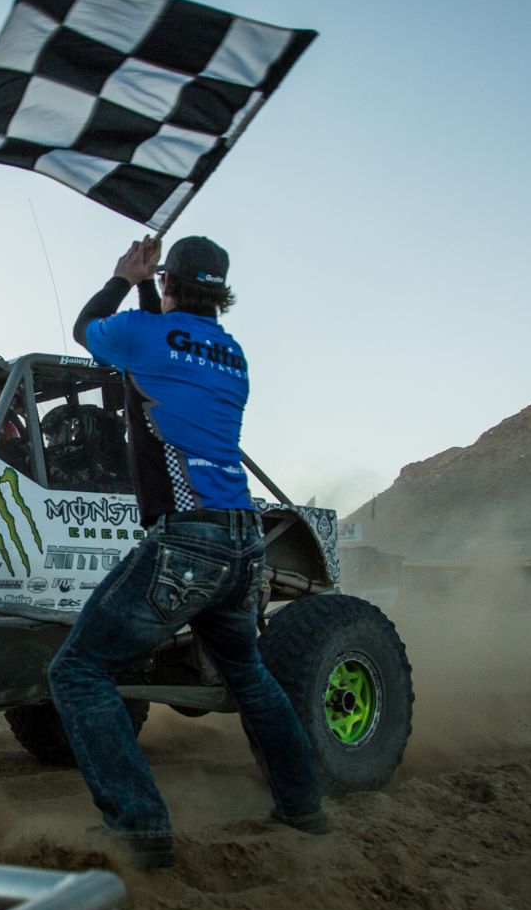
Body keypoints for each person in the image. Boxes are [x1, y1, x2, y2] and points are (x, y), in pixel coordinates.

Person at [48, 234, 325, 869]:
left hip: (188, 541)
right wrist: (152, 285)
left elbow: (87, 328)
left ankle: (139, 827)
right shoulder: (233, 354)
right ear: (220, 294)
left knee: (78, 672)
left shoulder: (143, 335)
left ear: (170, 282)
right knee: (250, 676)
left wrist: (125, 276)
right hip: (243, 541)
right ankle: (303, 806)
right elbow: (164, 342)